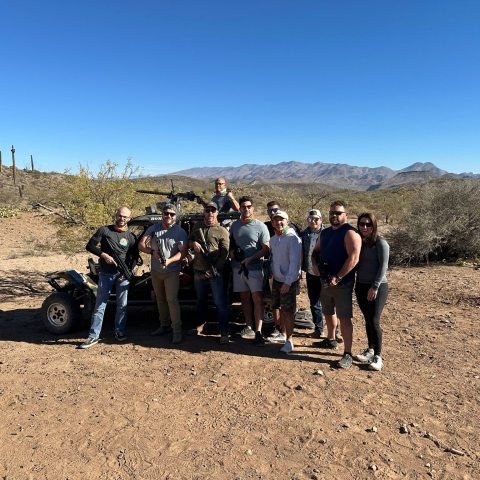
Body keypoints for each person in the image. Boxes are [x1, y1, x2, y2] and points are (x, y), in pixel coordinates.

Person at [79, 206, 138, 349]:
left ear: (129, 219)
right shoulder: (104, 230)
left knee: (122, 306)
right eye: (120, 215)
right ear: (116, 215)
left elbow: (134, 257)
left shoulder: (131, 237)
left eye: (125, 217)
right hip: (106, 274)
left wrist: (128, 272)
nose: (122, 218)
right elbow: (90, 246)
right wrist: (103, 255)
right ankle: (93, 336)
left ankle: (119, 332)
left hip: (122, 276)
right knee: (100, 305)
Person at [312, 200, 361, 369]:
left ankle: (347, 353)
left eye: (338, 213)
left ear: (346, 215)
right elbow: (315, 252)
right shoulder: (324, 233)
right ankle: (330, 339)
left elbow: (354, 258)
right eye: (332, 212)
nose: (334, 215)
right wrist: (315, 265)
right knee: (327, 311)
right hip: (325, 281)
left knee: (344, 318)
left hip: (342, 283)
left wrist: (338, 277)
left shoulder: (350, 233)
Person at [138, 203, 188, 344]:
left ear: (176, 216)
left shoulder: (180, 232)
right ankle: (164, 325)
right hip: (155, 271)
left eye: (172, 214)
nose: (168, 216)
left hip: (172, 271)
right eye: (166, 213)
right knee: (160, 300)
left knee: (172, 300)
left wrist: (170, 260)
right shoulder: (153, 228)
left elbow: (183, 252)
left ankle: (177, 331)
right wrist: (152, 252)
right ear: (162, 214)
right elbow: (141, 244)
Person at [230, 196, 270, 346]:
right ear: (239, 209)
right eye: (243, 207)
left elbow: (266, 249)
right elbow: (231, 244)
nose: (246, 209)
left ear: (252, 208)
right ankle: (249, 327)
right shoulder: (235, 226)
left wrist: (251, 259)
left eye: (249, 206)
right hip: (238, 268)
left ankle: (258, 332)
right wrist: (232, 253)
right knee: (244, 298)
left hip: (254, 268)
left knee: (257, 299)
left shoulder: (260, 226)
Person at [189, 202, 230, 343]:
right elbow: (189, 241)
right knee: (200, 301)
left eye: (213, 211)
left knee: (220, 303)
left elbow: (224, 254)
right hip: (198, 271)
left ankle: (224, 332)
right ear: (204, 212)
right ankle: (200, 326)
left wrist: (214, 270)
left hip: (215, 273)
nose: (210, 213)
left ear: (217, 213)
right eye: (208, 211)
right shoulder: (197, 227)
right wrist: (193, 244)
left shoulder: (222, 231)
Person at [354, 212, 389, 371]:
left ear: (374, 226)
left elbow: (383, 267)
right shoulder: (359, 242)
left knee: (374, 320)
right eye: (362, 224)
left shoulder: (381, 243)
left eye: (368, 224)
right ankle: (370, 349)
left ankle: (378, 356)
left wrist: (374, 286)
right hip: (360, 285)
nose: (365, 227)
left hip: (377, 287)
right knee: (367, 319)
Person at [269, 210, 302, 354]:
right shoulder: (274, 239)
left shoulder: (292, 238)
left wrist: (288, 283)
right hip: (277, 280)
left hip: (288, 281)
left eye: (281, 220)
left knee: (288, 311)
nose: (279, 222)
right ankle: (283, 334)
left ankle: (289, 340)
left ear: (287, 221)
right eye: (276, 220)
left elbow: (295, 263)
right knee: (280, 308)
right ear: (272, 223)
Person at [301, 209, 325, 337]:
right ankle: (319, 329)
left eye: (316, 219)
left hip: (325, 274)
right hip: (310, 273)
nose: (313, 221)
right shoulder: (304, 234)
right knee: (314, 302)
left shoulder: (327, 233)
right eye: (310, 219)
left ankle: (335, 331)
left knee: (329, 304)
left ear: (321, 220)